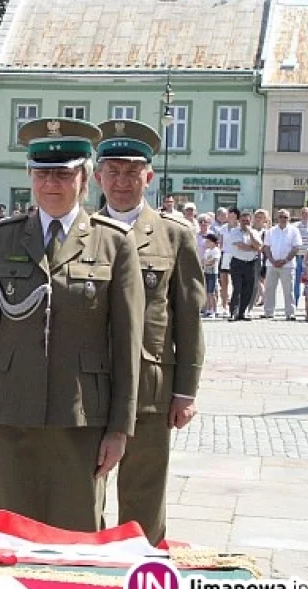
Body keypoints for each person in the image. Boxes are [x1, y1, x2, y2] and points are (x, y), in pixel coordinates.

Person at [0, 118, 144, 533]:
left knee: (74, 539)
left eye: (63, 173)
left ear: (83, 178)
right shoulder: (1, 239)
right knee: (2, 537)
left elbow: (126, 343)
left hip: (79, 419)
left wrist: (119, 428)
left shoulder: (113, 242)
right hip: (8, 415)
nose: (52, 183)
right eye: (42, 173)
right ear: (29, 176)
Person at [92, 120, 204, 545]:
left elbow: (189, 317)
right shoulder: (80, 232)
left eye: (131, 172)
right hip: (92, 382)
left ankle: (144, 573)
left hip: (150, 384)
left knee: (143, 489)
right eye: (113, 171)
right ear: (98, 176)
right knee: (87, 487)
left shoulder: (175, 237)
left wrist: (186, 391)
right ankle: (90, 570)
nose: (121, 182)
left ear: (149, 176)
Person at [262, 209, 302, 321]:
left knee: (288, 290)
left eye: (285, 217)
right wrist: (272, 260)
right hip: (271, 264)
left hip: (288, 265)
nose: (283, 219)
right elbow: (266, 247)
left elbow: (296, 248)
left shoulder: (294, 231)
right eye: (281, 217)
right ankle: (268, 312)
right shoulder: (270, 231)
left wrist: (285, 260)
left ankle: (290, 313)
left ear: (289, 218)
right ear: (277, 218)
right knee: (269, 289)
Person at [229, 210, 263, 321]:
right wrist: (253, 248)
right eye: (243, 221)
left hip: (251, 263)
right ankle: (234, 312)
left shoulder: (254, 232)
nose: (245, 223)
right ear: (239, 221)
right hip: (237, 263)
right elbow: (241, 246)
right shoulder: (234, 231)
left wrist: (251, 234)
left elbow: (259, 246)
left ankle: (242, 312)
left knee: (249, 289)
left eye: (247, 221)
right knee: (237, 288)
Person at [203, 234, 221, 318]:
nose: (206, 242)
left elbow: (213, 261)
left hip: (213, 273)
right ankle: (208, 309)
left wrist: (206, 263)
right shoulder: (207, 251)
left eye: (208, 241)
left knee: (212, 292)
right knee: (207, 292)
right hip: (207, 272)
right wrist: (205, 263)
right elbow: (204, 261)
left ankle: (214, 310)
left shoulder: (216, 250)